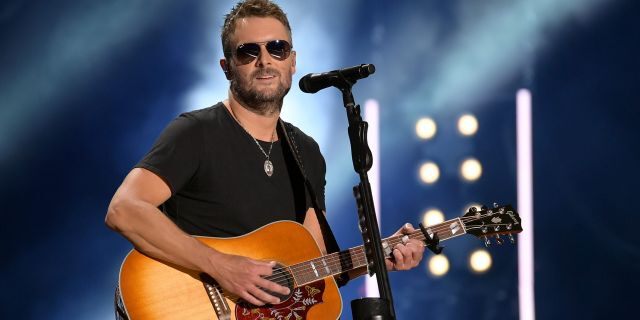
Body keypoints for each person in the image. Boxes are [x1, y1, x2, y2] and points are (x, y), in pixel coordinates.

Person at [105, 0, 425, 317]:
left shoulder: (306, 151)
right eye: (248, 51)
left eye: (277, 48)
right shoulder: (195, 132)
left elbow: (318, 267)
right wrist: (221, 266)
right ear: (227, 66)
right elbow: (124, 210)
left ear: (293, 61)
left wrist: (379, 256)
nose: (264, 60)